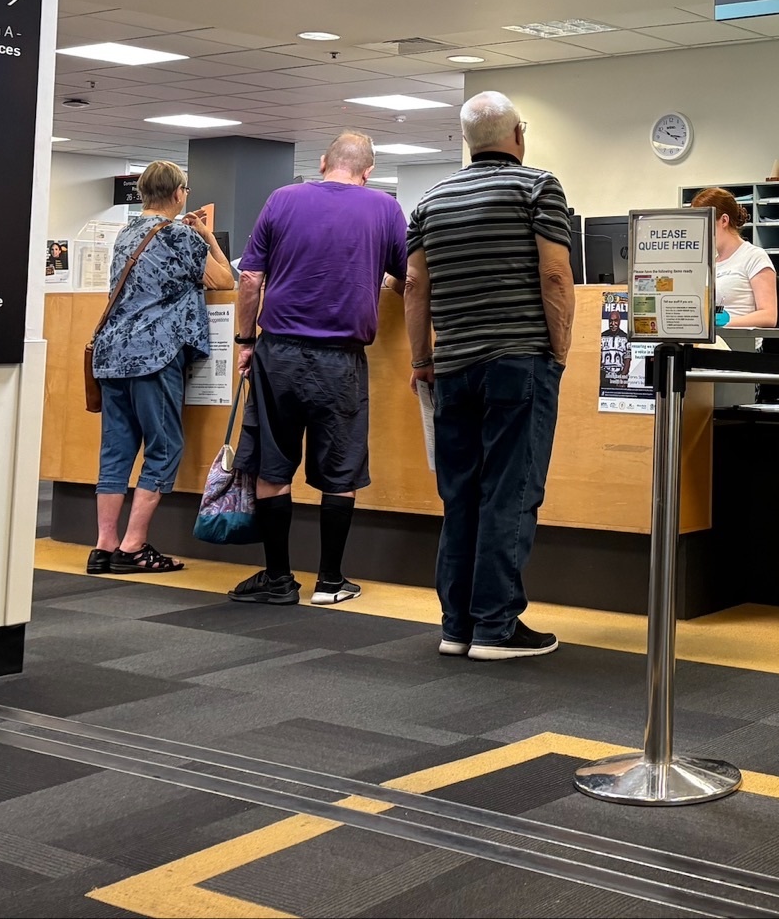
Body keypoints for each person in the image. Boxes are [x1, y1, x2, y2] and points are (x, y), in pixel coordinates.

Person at [406, 91, 573, 660]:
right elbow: (554, 274)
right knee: (511, 491)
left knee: (461, 495)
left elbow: (415, 287)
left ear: (465, 141)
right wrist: (559, 349)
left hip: (452, 368)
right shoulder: (537, 187)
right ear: (518, 135)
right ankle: (497, 626)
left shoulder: (430, 199)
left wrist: (420, 360)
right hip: (518, 361)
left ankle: (458, 626)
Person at [228, 131, 409, 608]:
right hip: (342, 360)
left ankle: (278, 579)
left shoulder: (282, 199)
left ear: (325, 161)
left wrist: (246, 342)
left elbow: (249, 278)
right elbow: (409, 278)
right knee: (340, 470)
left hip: (279, 352)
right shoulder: (385, 210)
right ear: (368, 172)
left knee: (272, 465)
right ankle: (330, 581)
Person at [89, 160, 233, 575]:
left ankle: (104, 545)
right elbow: (224, 280)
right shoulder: (180, 236)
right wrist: (208, 236)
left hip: (112, 355)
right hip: (155, 354)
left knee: (116, 450)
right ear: (177, 194)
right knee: (164, 447)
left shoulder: (125, 233)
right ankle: (134, 546)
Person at [692, 187, 776, 328]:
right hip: (711, 343)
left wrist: (724, 324)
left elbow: (769, 316)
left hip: (740, 344)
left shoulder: (754, 257)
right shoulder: (710, 261)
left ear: (724, 221)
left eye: (703, 223)